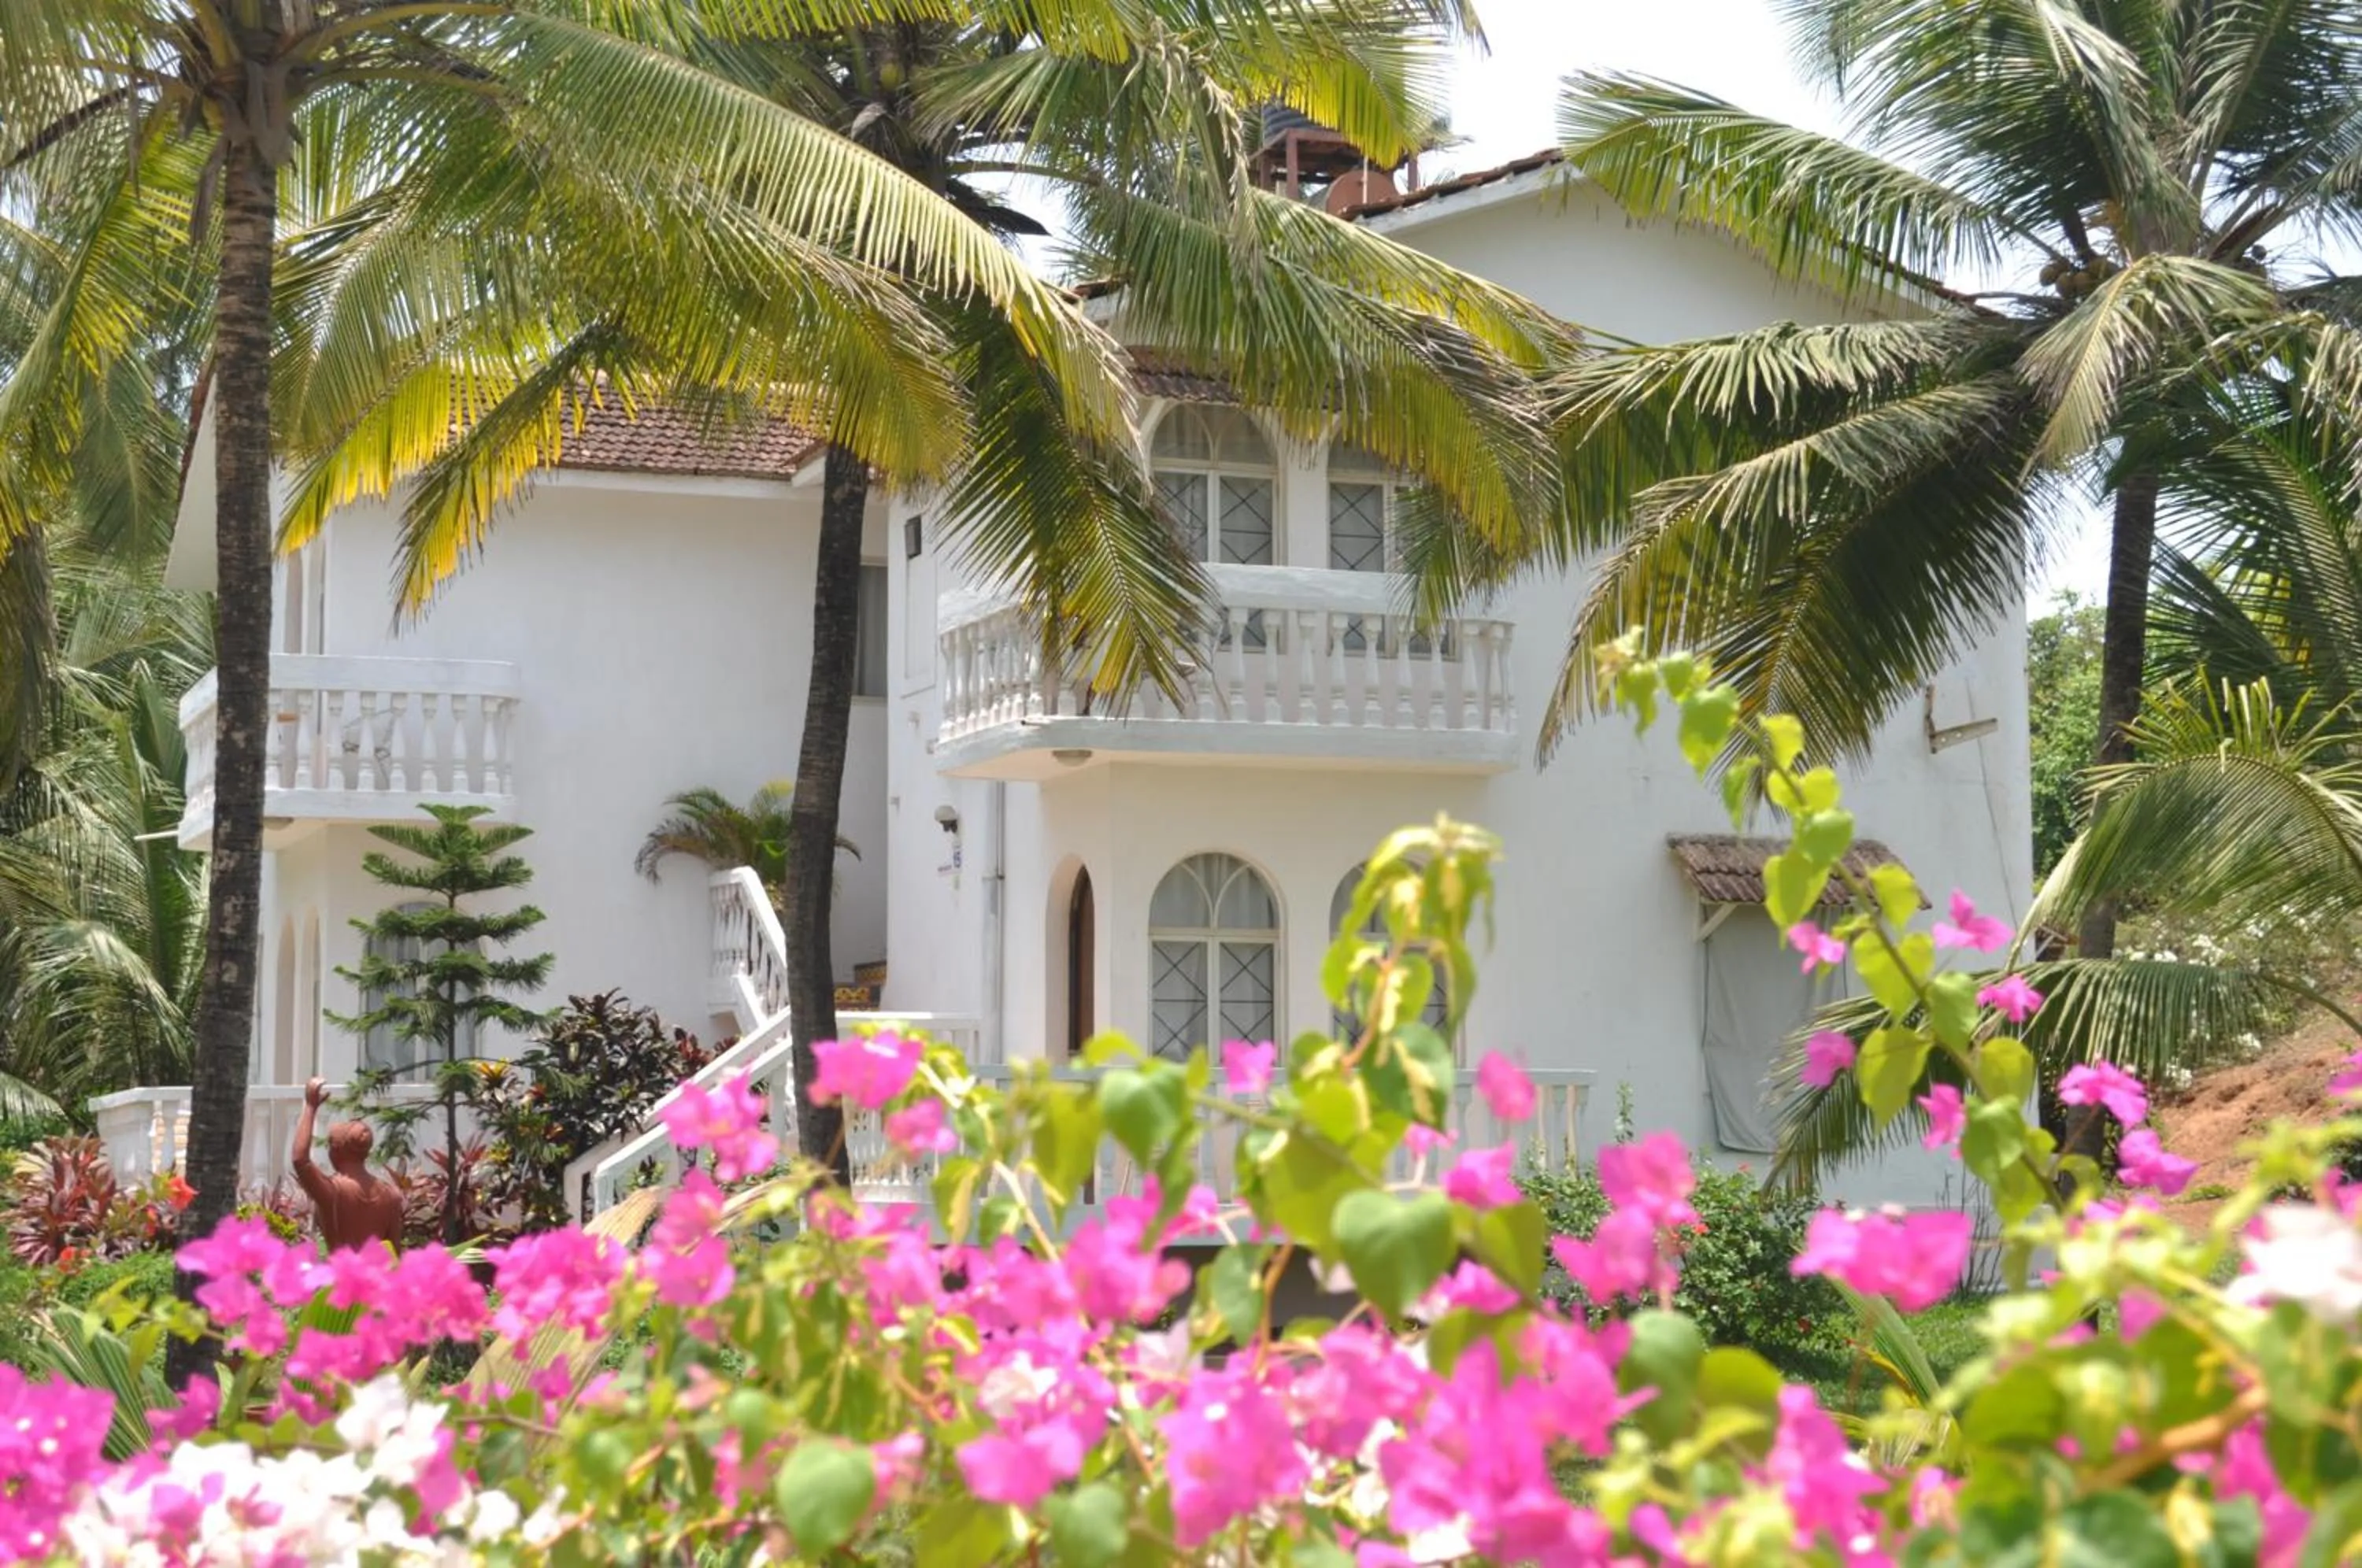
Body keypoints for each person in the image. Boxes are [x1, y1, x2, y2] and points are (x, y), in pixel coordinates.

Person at [291, 1077, 404, 1252]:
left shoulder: (332, 1191)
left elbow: (300, 1160)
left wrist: (310, 1108)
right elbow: (395, 1254)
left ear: (336, 1151)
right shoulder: (391, 1195)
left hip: (342, 1276)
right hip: (377, 1277)